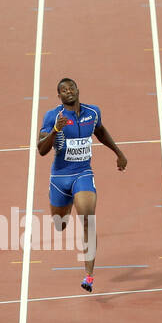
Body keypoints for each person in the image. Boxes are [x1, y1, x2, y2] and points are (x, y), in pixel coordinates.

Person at [37, 78, 128, 292]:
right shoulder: (53, 116)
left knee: (88, 218)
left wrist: (118, 152)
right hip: (60, 178)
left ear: (78, 90)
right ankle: (66, 202)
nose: (69, 92)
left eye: (71, 88)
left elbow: (101, 132)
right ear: (59, 96)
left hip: (83, 174)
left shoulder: (92, 112)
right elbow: (41, 150)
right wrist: (55, 131)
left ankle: (89, 275)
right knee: (60, 225)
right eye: (63, 90)